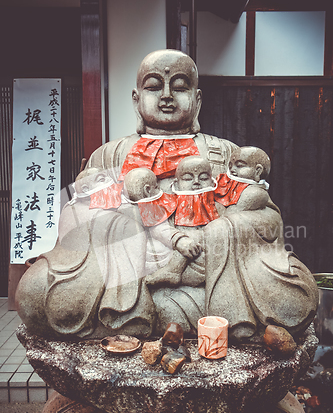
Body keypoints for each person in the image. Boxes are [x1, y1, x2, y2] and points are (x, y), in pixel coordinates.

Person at [15, 49, 318, 342]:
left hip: (208, 268)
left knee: (300, 298)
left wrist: (222, 229)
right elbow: (75, 214)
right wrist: (129, 222)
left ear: (197, 101)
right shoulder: (109, 154)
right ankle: (133, 307)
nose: (167, 97)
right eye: (153, 86)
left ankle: (189, 310)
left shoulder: (226, 153)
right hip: (126, 273)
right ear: (136, 100)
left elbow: (267, 219)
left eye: (180, 87)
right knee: (31, 296)